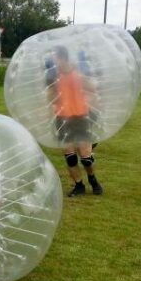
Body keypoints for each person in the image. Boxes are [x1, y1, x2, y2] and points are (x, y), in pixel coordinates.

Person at [46, 46, 102, 196]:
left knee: (85, 158)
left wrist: (92, 105)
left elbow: (93, 89)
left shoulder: (78, 74)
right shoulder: (54, 77)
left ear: (62, 58)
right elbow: (50, 97)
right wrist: (53, 95)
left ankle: (93, 179)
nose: (54, 62)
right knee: (70, 158)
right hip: (62, 119)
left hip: (80, 117)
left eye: (55, 58)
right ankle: (79, 186)